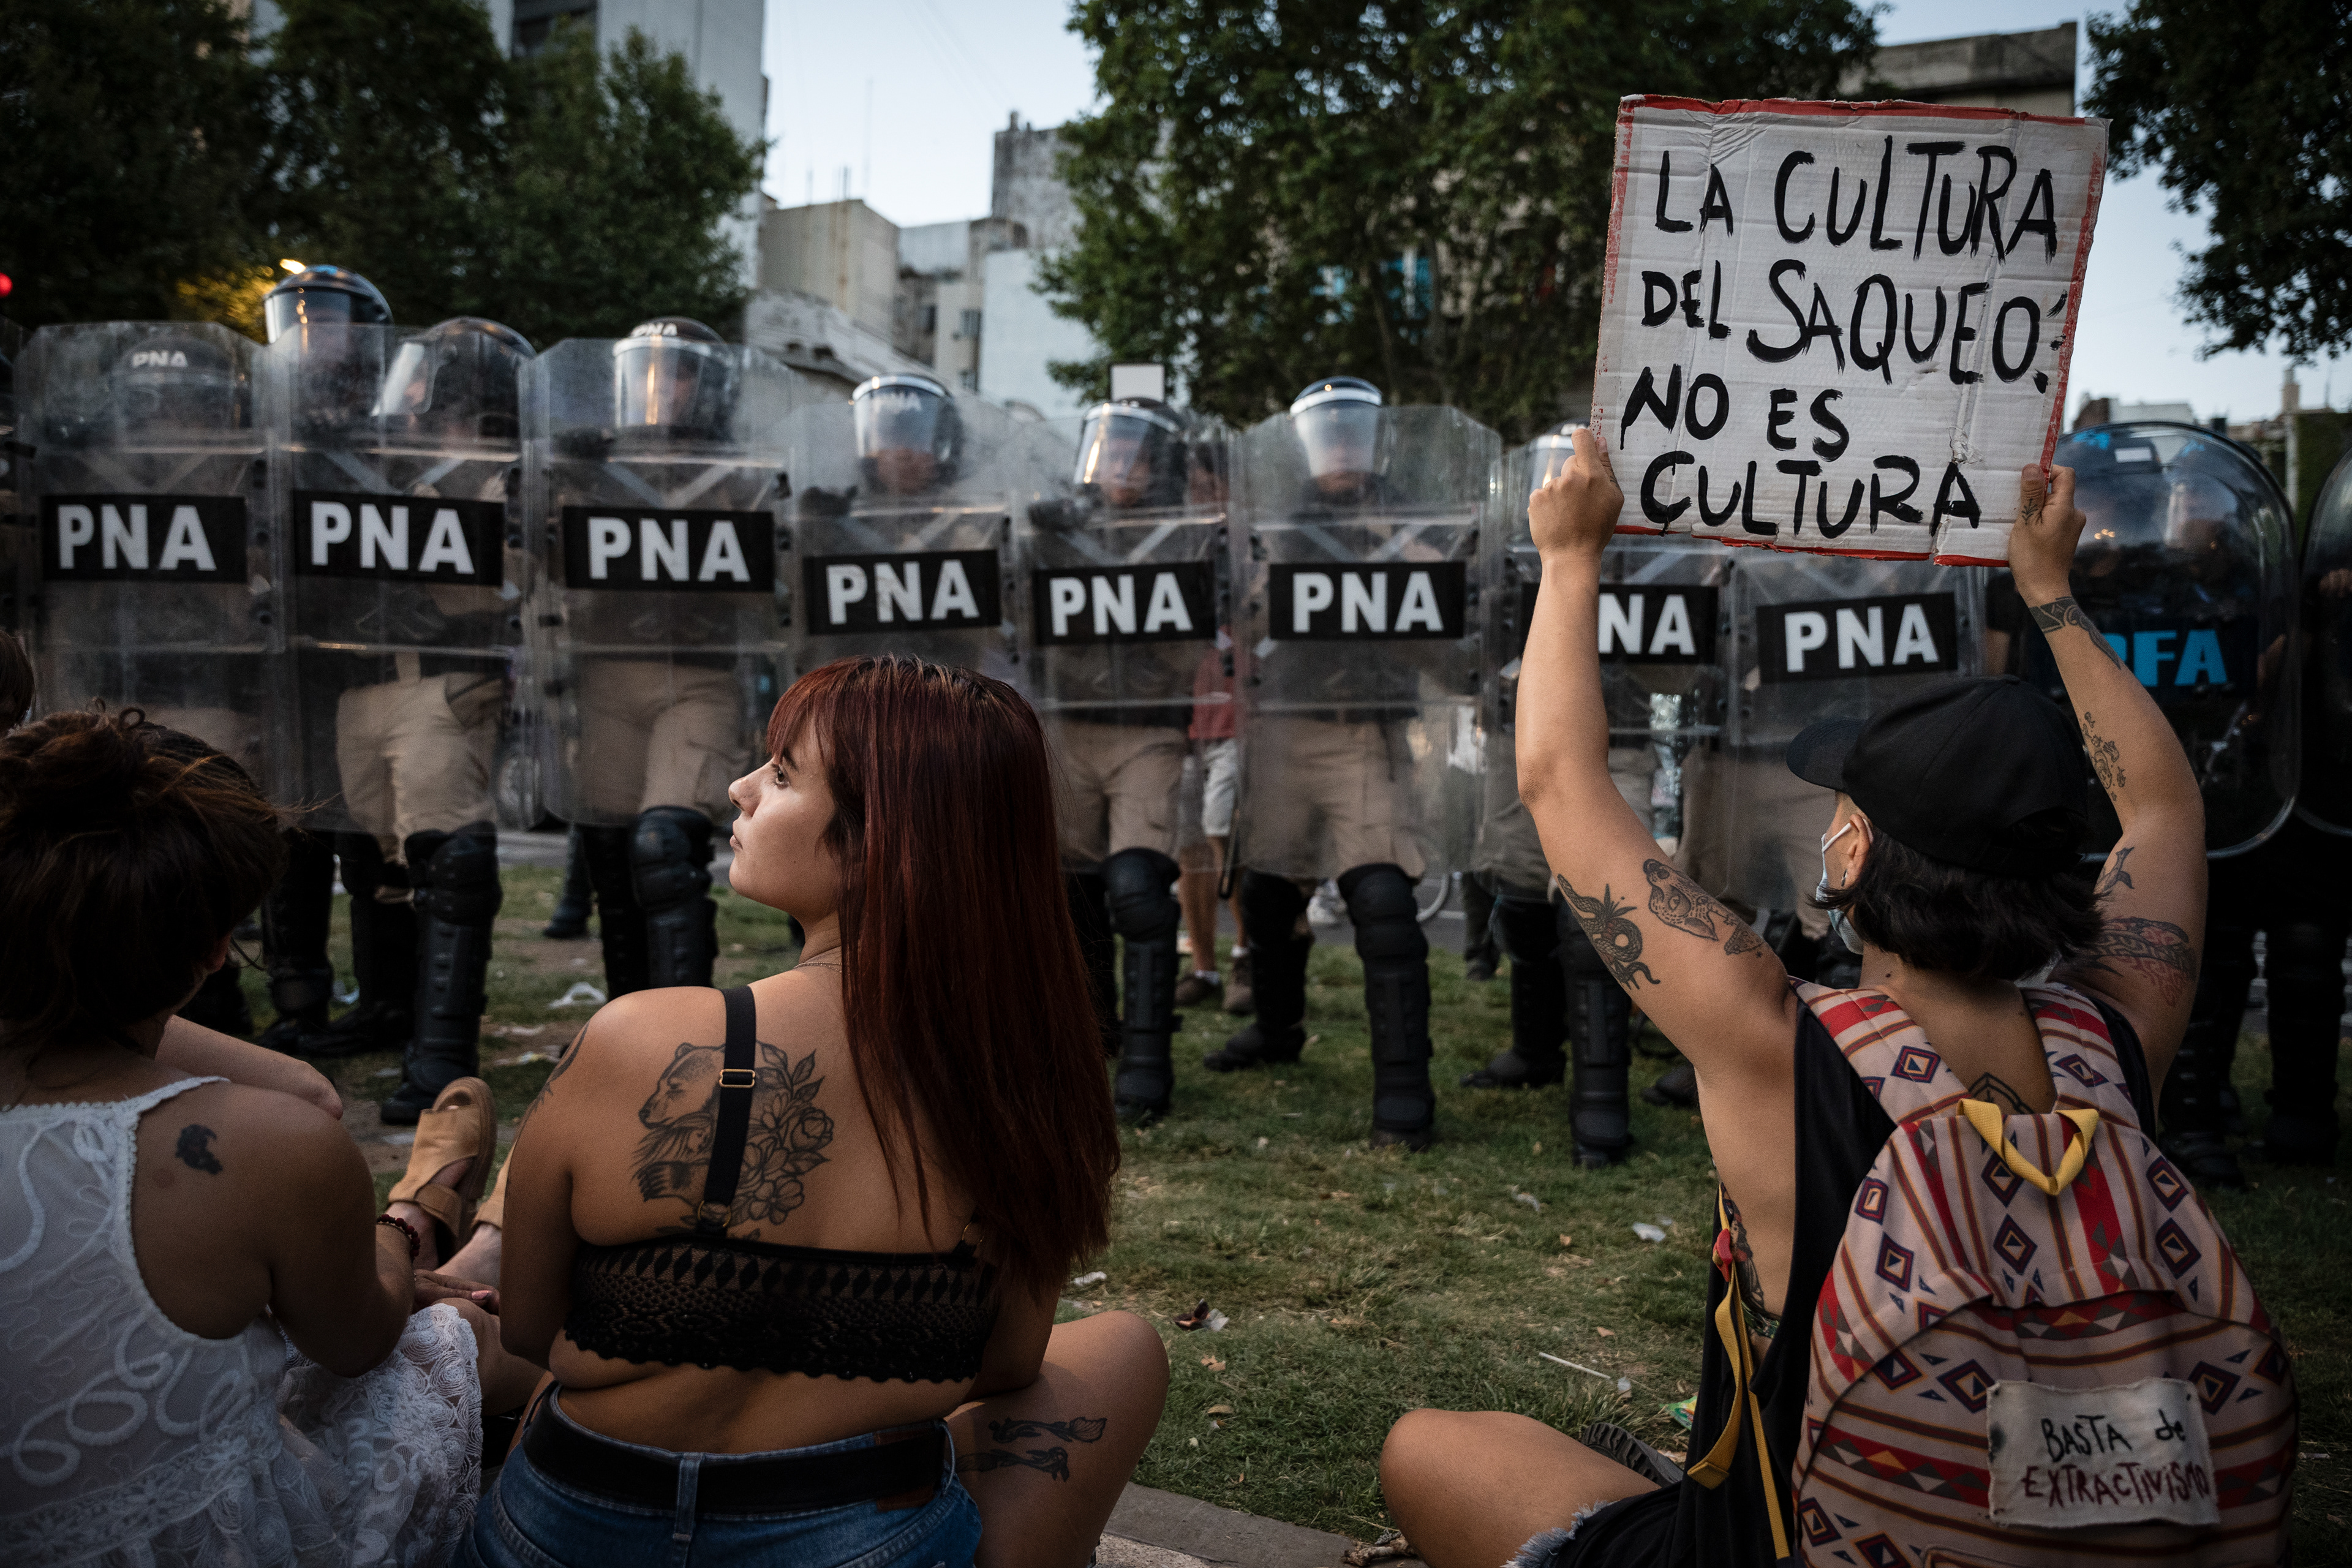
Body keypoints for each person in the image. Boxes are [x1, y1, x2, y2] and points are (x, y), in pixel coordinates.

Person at [1382, 436, 2213, 1567]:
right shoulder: (2119, 1033)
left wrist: (1570, 559)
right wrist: (2051, 593)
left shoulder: (1781, 1043)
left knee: (1426, 1450)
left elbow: (1559, 781)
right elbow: (2163, 810)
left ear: (1856, 847)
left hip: (1782, 1551)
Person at [466, 655, 1167, 1568]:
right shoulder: (1032, 1084)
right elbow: (1005, 1365)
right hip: (860, 1535)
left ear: (880, 841)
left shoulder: (643, 1040)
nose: (740, 788)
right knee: (1122, 1351)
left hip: (571, 1529)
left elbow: (529, 1328)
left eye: (784, 775)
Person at [0, 710, 538, 1565]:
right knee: (429, 1337)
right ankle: (450, 1241)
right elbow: (357, 1342)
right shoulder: (262, 1147)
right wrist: (389, 1233)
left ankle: (455, 1246)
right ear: (211, 954)